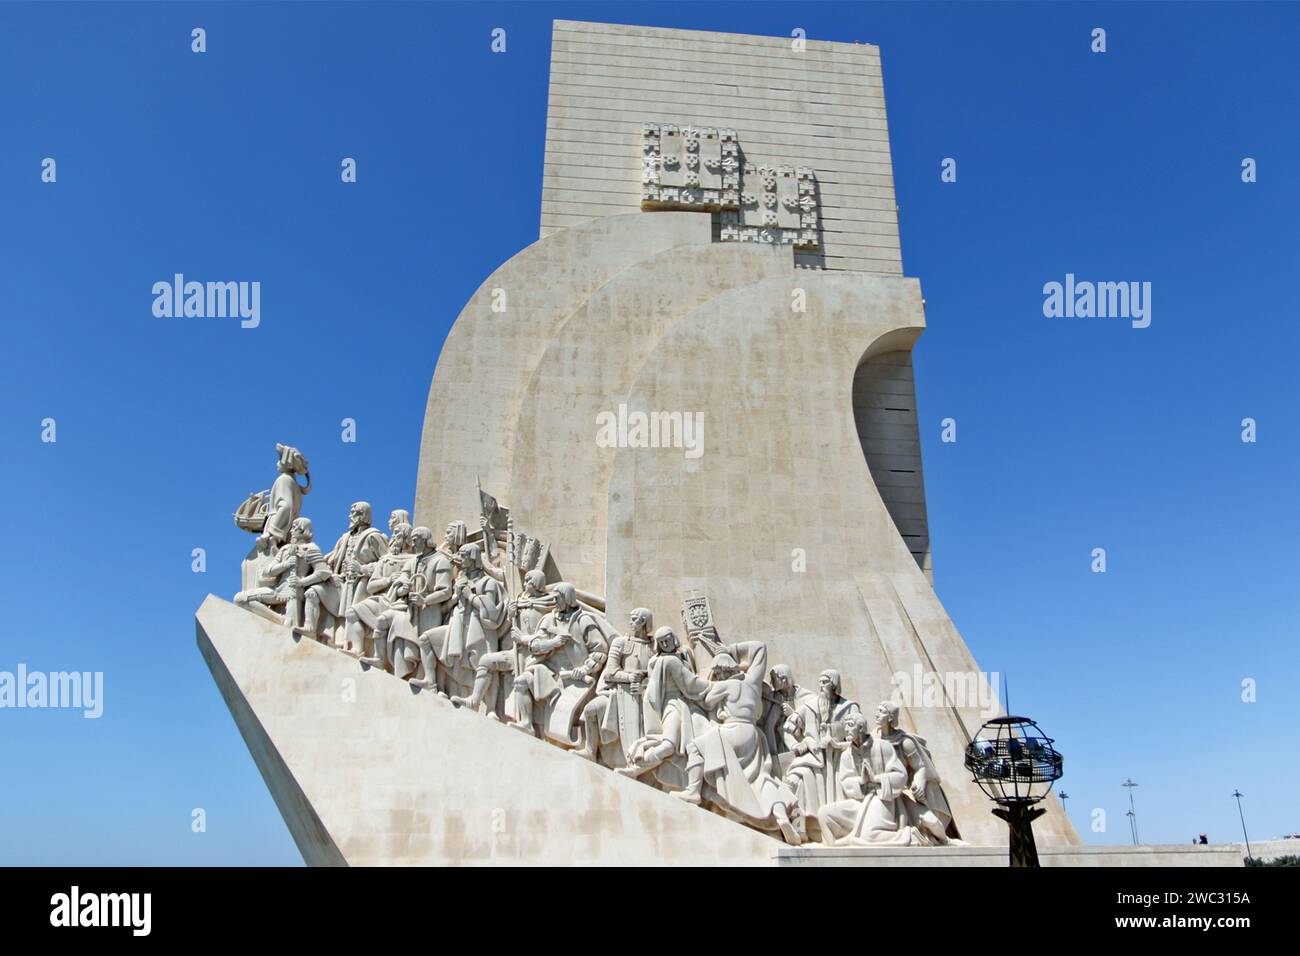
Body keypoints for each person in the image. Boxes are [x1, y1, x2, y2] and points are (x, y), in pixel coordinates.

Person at [665, 640, 804, 845]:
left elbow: (705, 699)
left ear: (722, 672)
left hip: (733, 730)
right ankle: (781, 815)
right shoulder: (752, 684)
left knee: (695, 747)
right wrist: (730, 651)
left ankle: (693, 791)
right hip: (755, 736)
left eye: (718, 672)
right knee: (762, 779)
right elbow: (760, 648)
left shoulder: (725, 685)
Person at [509, 583, 608, 746]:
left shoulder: (583, 620)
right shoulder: (549, 619)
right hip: (549, 670)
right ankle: (526, 724)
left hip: (572, 676)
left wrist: (584, 669)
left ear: (567, 599)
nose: (555, 601)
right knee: (521, 681)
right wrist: (553, 643)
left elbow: (600, 651)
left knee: (562, 723)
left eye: (558, 598)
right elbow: (535, 645)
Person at [577, 607, 656, 766]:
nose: (630, 622)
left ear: (644, 622)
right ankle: (590, 751)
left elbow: (658, 675)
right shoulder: (620, 643)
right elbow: (609, 673)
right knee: (591, 709)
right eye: (631, 618)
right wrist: (628, 677)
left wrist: (644, 684)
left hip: (643, 696)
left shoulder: (654, 647)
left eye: (635, 619)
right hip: (616, 694)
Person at [236, 517, 330, 626]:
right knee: (240, 599)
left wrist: (301, 582)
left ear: (303, 530)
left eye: (294, 528)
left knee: (290, 626)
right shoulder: (285, 549)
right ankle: (280, 620)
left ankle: (285, 622)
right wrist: (285, 565)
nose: (291, 531)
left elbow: (323, 572)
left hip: (294, 593)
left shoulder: (311, 548)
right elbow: (267, 571)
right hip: (278, 590)